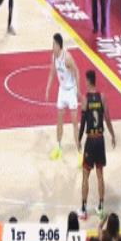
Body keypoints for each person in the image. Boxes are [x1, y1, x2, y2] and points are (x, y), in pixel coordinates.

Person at [77, 69, 116, 220]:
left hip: (91, 140)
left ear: (88, 81)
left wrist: (79, 139)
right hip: (100, 140)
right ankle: (100, 207)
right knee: (100, 176)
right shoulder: (102, 97)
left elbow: (83, 123)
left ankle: (83, 209)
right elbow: (107, 118)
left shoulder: (85, 99)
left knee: (85, 175)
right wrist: (112, 134)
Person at [45, 33, 81, 161]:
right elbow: (52, 73)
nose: (52, 46)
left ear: (59, 45)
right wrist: (48, 89)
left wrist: (78, 90)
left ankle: (79, 153)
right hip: (62, 91)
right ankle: (58, 148)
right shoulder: (54, 57)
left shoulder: (67, 58)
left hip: (71, 91)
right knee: (59, 121)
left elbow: (77, 72)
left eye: (54, 44)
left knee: (74, 123)